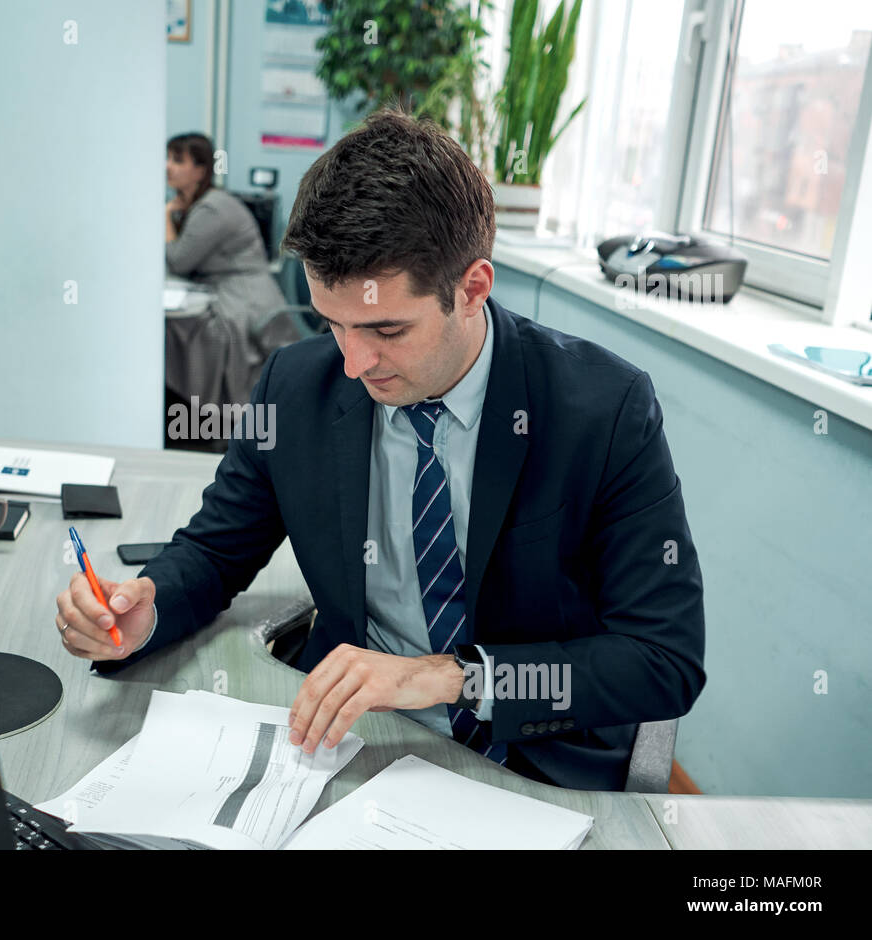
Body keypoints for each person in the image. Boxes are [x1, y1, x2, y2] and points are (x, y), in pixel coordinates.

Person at [60, 109, 706, 792]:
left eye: (387, 329)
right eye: (331, 324)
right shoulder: (295, 386)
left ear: (472, 288)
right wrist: (148, 606)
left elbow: (662, 659)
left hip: (531, 770)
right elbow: (218, 550)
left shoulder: (602, 410)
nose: (353, 363)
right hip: (349, 749)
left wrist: (450, 676)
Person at [165, 133, 291, 373]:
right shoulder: (199, 204)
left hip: (246, 302)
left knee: (184, 337)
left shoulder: (211, 208)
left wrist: (166, 215)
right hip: (241, 295)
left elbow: (177, 262)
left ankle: (196, 405)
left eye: (178, 160)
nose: (168, 166)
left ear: (201, 171)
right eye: (168, 158)